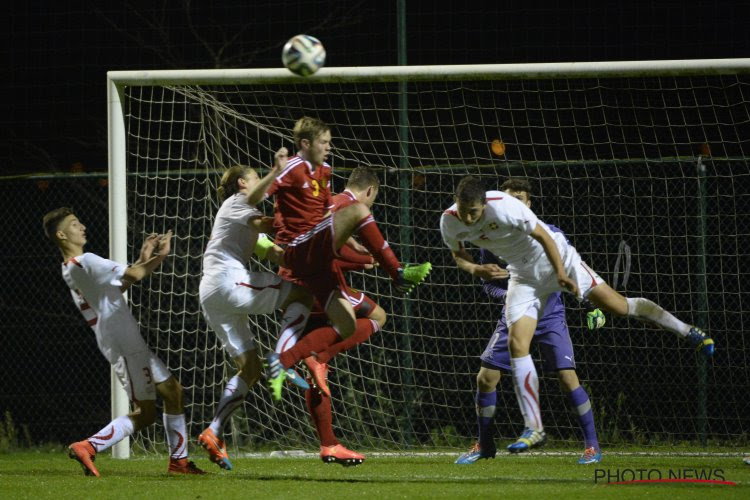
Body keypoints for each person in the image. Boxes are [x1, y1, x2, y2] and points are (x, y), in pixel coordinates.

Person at [440, 175, 715, 459]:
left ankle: (686, 330)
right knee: (516, 345)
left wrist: (560, 273)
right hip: (523, 276)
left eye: (473, 212)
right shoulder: (450, 220)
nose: (468, 218)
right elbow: (458, 255)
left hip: (557, 259)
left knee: (620, 307)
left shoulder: (504, 206)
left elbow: (545, 237)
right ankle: (533, 427)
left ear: (484, 205)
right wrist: (476, 269)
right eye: (463, 211)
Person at [263, 117, 429, 398]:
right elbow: (267, 196)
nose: (329, 147)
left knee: (346, 326)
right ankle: (397, 273)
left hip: (315, 270)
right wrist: (366, 260)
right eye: (324, 142)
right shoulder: (297, 171)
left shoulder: (325, 174)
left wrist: (353, 243)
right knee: (376, 313)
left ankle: (288, 365)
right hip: (300, 258)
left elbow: (327, 215)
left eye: (329, 142)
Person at [42, 207, 205, 477]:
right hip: (122, 340)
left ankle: (180, 462)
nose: (82, 226)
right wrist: (160, 256)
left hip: (120, 337)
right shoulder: (87, 260)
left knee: (173, 392)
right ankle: (88, 446)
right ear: (61, 234)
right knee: (145, 413)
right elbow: (134, 275)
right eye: (74, 224)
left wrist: (143, 258)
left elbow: (116, 288)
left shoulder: (71, 268)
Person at [454, 178, 604, 466]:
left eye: (520, 198)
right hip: (513, 317)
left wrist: (588, 305)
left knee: (567, 377)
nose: (514, 203)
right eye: (510, 198)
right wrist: (509, 296)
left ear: (529, 203)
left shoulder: (548, 234)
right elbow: (489, 286)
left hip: (549, 315)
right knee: (485, 378)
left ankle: (592, 445)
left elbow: (573, 273)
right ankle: (484, 445)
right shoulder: (491, 238)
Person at [271, 166, 399, 466]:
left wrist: (360, 261)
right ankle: (318, 355)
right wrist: (367, 260)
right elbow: (329, 251)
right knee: (378, 316)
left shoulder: (329, 203)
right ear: (369, 192)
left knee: (318, 376)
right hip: (315, 285)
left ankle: (329, 444)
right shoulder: (347, 205)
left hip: (292, 286)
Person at [196, 161, 315, 471]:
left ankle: (214, 430)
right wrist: (309, 216)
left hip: (212, 296)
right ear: (242, 184)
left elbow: (274, 250)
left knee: (250, 370)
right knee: (305, 295)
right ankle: (283, 356)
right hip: (228, 282)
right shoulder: (237, 203)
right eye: (256, 178)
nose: (263, 183)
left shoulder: (244, 219)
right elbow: (269, 225)